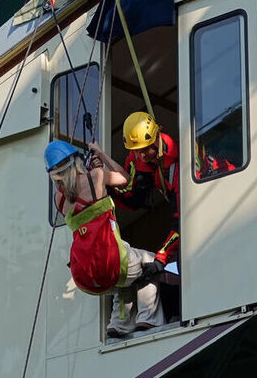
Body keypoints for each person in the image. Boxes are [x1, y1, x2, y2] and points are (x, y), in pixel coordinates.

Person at [45, 140, 165, 337]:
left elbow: (75, 192)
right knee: (150, 262)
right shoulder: (96, 177)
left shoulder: (59, 199)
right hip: (112, 261)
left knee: (121, 280)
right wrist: (101, 155)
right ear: (76, 161)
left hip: (87, 276)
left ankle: (119, 323)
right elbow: (126, 179)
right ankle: (148, 318)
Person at [100, 112, 180, 278]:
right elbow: (131, 196)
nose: (142, 156)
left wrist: (160, 260)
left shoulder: (178, 168)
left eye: (145, 149)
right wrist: (106, 188)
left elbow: (180, 223)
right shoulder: (138, 157)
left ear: (157, 137)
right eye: (136, 151)